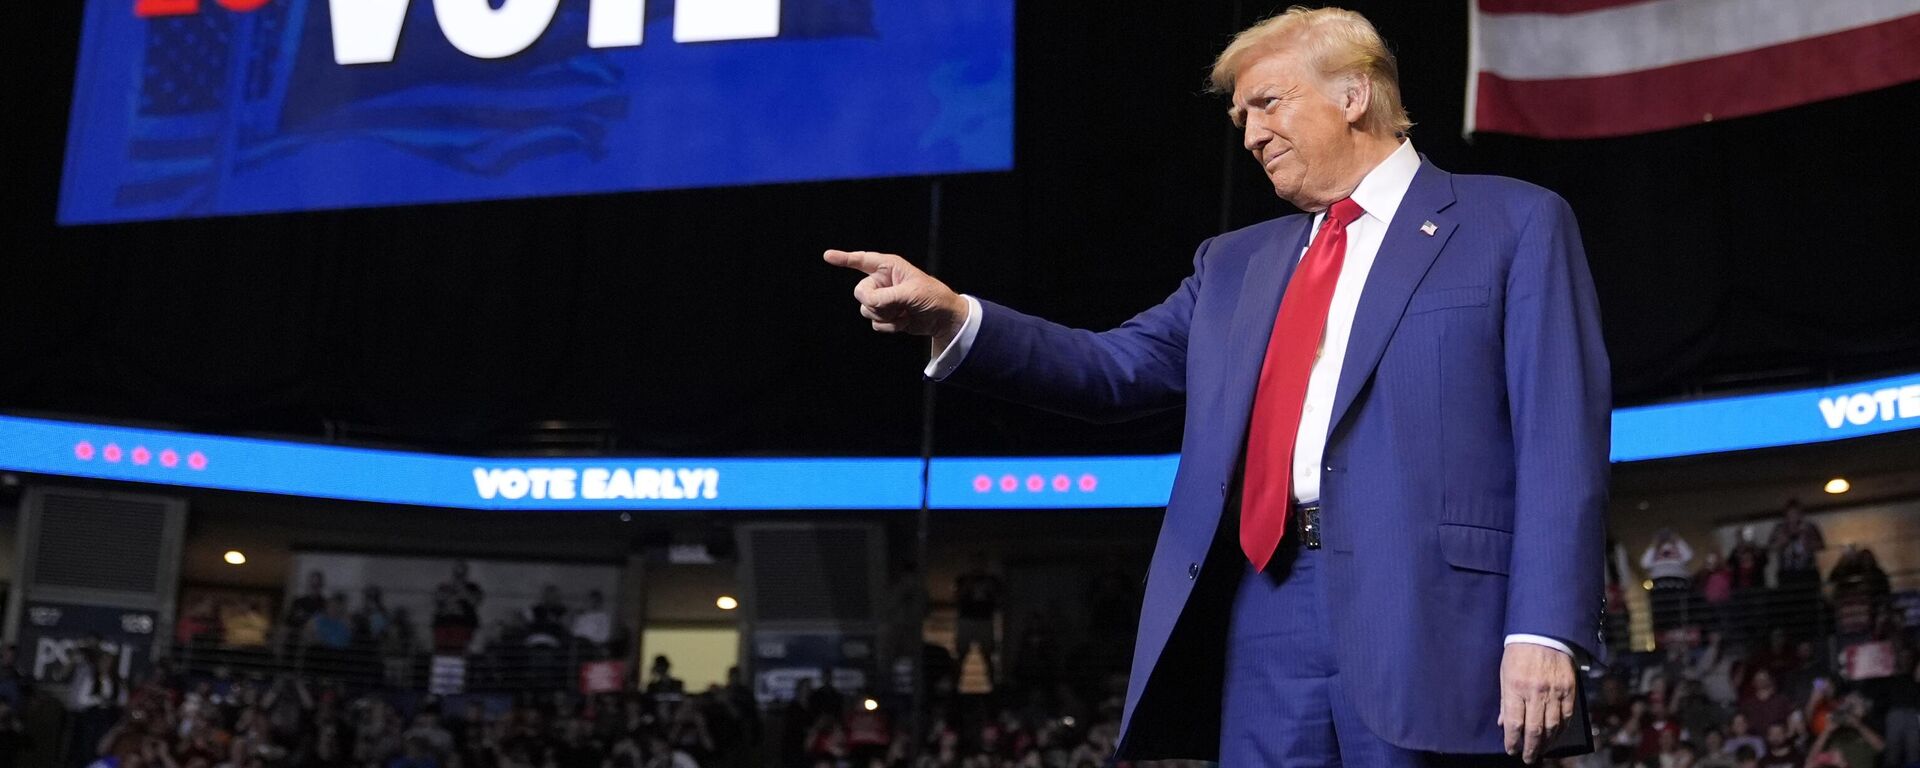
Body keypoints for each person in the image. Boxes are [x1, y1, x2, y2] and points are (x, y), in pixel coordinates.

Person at [826, 5, 1608, 764]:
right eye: (1241, 120)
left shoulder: (1513, 223)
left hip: (1433, 613)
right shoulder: (1233, 265)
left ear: (1353, 93)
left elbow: (1559, 441)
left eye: (1268, 103)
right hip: (1261, 607)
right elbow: (1112, 370)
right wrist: (954, 315)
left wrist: (1543, 628)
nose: (1253, 133)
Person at [952, 553, 1005, 686]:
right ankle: (955, 687)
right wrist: (969, 583)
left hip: (985, 621)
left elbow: (999, 599)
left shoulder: (992, 580)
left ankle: (993, 687)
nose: (977, 566)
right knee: (961, 655)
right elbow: (957, 597)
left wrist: (989, 588)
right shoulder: (963, 579)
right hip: (967, 620)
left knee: (988, 656)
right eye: (975, 563)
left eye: (980, 563)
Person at [432, 561, 485, 654]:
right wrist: (452, 598)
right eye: (457, 573)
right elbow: (439, 600)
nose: (459, 575)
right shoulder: (445, 587)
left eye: (461, 572)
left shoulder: (473, 587)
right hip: (445, 627)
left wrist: (462, 591)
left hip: (464, 627)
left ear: (466, 573)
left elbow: (475, 601)